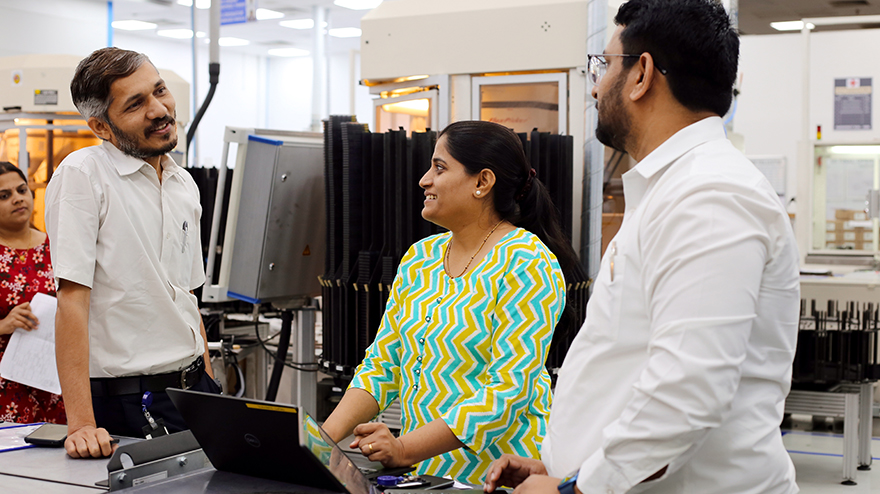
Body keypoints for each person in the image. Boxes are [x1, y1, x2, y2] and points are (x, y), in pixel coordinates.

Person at [484, 1, 800, 493]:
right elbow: (630, 364)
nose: (594, 86)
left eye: (603, 66)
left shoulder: (710, 196)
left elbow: (687, 393)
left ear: (642, 74)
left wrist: (578, 489)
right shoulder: (674, 192)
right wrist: (567, 467)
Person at [321, 120, 580, 484]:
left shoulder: (528, 264)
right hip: (426, 477)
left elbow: (505, 391)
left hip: (498, 478)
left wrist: (404, 448)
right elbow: (383, 364)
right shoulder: (421, 258)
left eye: (439, 168)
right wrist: (318, 443)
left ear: (482, 182)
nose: (424, 180)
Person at [44, 47, 219, 459]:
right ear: (102, 127)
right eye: (136, 104)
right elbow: (71, 301)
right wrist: (82, 423)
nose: (160, 109)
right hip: (132, 399)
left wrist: (209, 385)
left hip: (195, 389)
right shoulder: (82, 176)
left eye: (159, 91)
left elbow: (186, 298)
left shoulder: (182, 183)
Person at [0, 161, 66, 425]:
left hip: (55, 380)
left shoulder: (58, 246)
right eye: (4, 196)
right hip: (7, 385)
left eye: (21, 190)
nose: (17, 199)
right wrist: (3, 325)